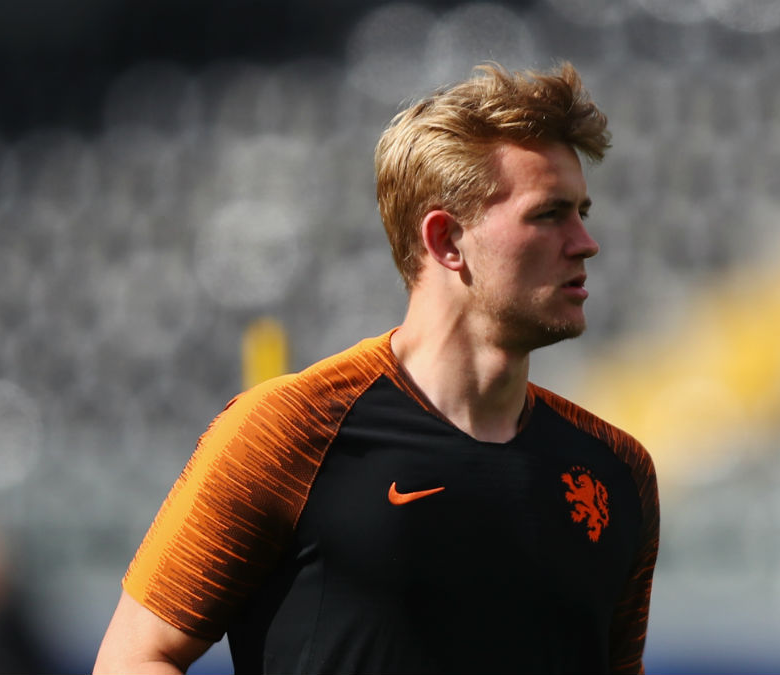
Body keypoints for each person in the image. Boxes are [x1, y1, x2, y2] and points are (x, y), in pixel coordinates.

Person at [93, 61, 659, 675]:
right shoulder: (289, 431)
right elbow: (135, 659)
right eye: (550, 214)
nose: (585, 241)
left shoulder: (618, 473)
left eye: (583, 212)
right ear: (445, 240)